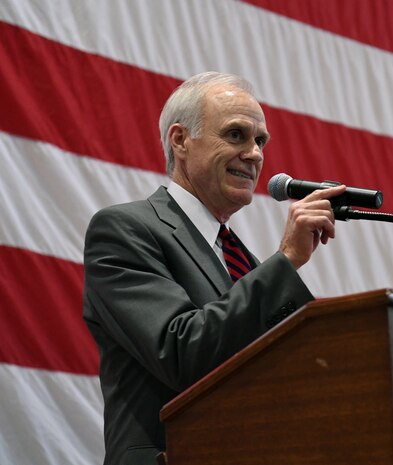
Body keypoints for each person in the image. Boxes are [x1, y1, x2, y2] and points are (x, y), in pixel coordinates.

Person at [83, 71, 345, 465]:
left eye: (260, 141)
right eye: (236, 135)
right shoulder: (124, 230)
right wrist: (287, 260)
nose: (255, 153)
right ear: (180, 140)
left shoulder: (240, 258)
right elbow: (181, 352)